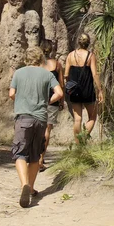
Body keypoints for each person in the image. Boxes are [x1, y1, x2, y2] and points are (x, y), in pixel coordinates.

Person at [9, 46, 63, 208]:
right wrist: (47, 102)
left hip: (23, 118)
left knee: (19, 153)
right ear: (41, 59)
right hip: (40, 119)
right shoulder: (47, 74)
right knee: (34, 155)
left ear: (26, 58)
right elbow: (59, 93)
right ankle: (31, 188)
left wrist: (21, 100)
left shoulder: (19, 73)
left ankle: (24, 184)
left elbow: (11, 94)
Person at [65, 33, 103, 142]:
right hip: (87, 90)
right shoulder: (90, 56)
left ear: (78, 42)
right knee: (92, 116)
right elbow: (95, 74)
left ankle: (78, 144)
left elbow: (66, 75)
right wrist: (100, 90)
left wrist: (70, 85)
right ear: (88, 43)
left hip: (74, 90)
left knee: (77, 118)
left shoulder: (70, 55)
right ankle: (83, 138)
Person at [39, 39, 64, 172]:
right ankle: (41, 158)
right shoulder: (57, 64)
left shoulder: (38, 65)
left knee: (38, 129)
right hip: (53, 99)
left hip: (38, 100)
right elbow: (61, 84)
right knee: (47, 130)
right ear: (52, 50)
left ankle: (35, 156)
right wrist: (61, 101)